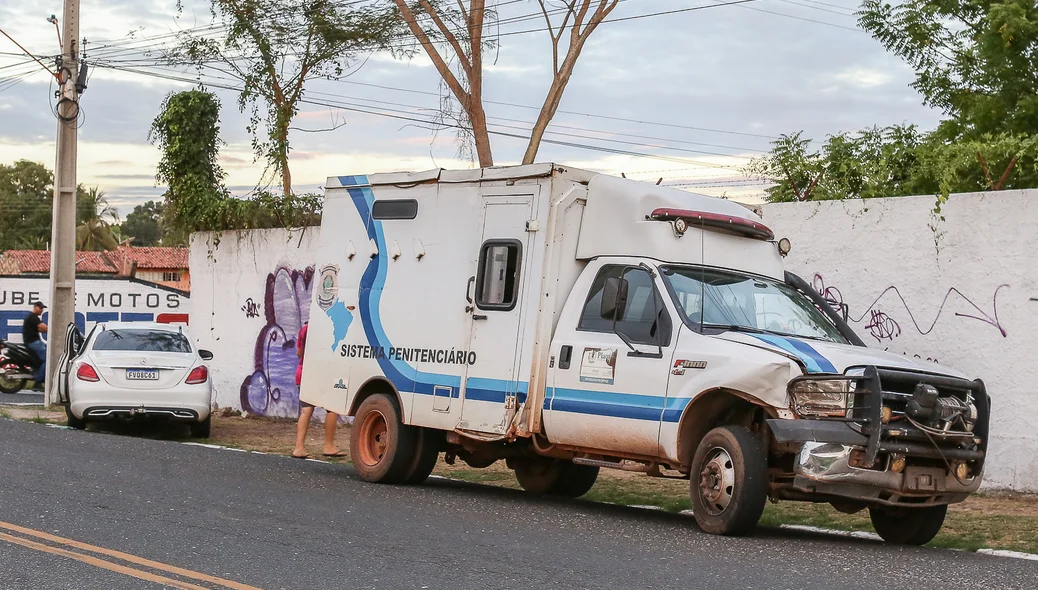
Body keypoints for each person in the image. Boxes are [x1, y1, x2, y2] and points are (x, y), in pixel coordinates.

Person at [292, 321, 347, 459]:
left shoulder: (305, 329)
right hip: (322, 373)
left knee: (306, 411)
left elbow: (299, 353)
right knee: (332, 408)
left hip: (303, 372)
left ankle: (299, 448)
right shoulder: (329, 328)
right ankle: (329, 446)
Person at [22, 302, 48, 392]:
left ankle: (38, 372)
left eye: (42, 308)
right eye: (40, 308)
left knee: (47, 351)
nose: (41, 310)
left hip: (33, 342)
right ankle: (38, 381)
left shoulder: (31, 318)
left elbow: (41, 329)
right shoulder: (33, 318)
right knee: (48, 359)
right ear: (35, 307)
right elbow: (45, 328)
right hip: (33, 342)